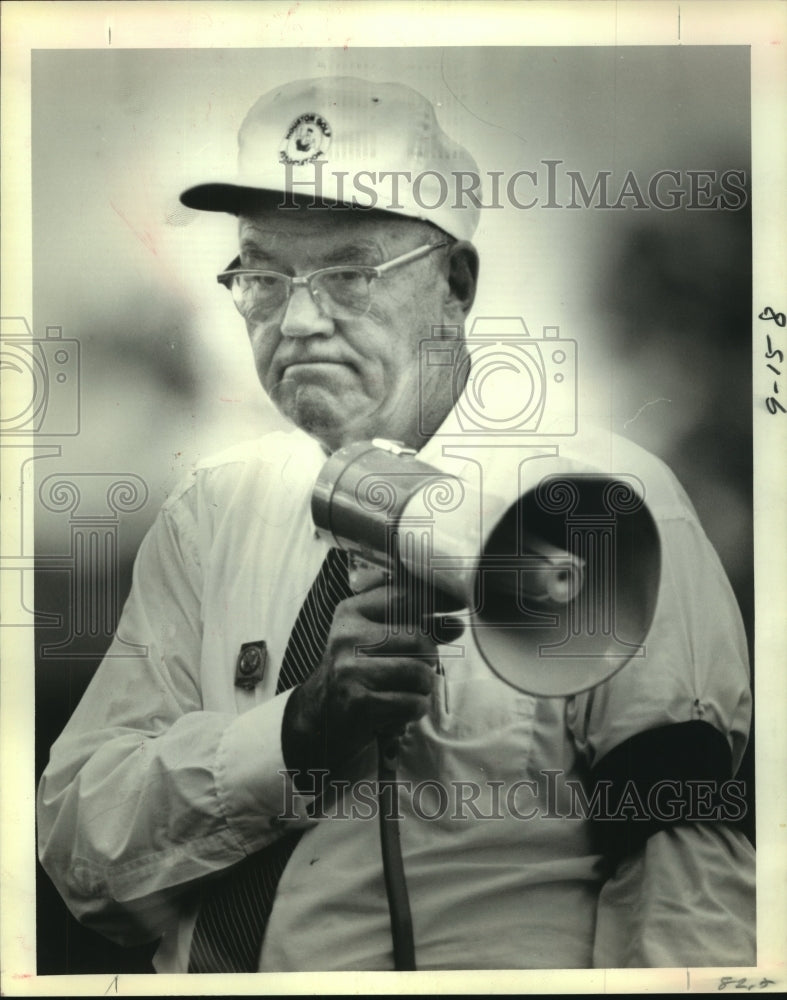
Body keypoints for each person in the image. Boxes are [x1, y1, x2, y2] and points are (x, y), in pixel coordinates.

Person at [37, 76, 755, 972]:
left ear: (454, 283)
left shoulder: (595, 502)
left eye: (347, 272)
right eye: (262, 274)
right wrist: (296, 734)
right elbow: (75, 849)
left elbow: (687, 885)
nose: (297, 320)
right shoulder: (210, 515)